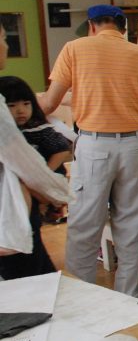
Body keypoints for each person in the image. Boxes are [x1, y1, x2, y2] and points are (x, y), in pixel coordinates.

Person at [41, 5, 138, 298]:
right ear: (123, 28)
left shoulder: (74, 49)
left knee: (85, 224)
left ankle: (84, 298)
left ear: (92, 25)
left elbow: (49, 104)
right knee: (130, 224)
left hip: (95, 146)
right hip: (135, 145)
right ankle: (128, 294)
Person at [0, 24, 71, 278]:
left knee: (38, 273)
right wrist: (55, 194)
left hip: (20, 208)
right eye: (4, 38)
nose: (7, 46)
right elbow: (24, 166)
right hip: (10, 212)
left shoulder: (39, 129)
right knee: (30, 281)